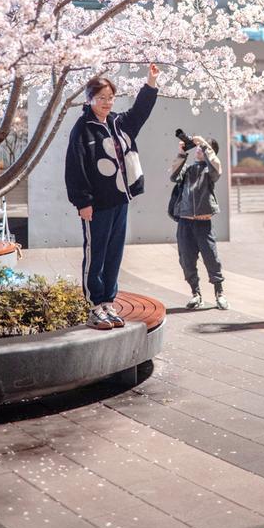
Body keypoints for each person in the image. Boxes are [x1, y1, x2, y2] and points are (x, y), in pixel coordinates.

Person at [65, 64, 159, 330]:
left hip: (120, 200)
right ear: (89, 99)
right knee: (96, 254)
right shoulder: (82, 128)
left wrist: (150, 83)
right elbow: (75, 166)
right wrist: (82, 202)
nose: (106, 103)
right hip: (96, 205)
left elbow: (141, 112)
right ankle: (94, 305)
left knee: (114, 253)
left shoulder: (119, 123)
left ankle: (108, 301)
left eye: (110, 98)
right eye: (101, 98)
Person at [170, 135, 229, 311]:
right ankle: (196, 294)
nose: (198, 149)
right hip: (184, 222)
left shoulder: (210, 171)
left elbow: (217, 167)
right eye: (196, 147)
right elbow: (173, 175)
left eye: (202, 148)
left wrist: (204, 144)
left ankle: (219, 293)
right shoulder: (188, 169)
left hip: (203, 222)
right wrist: (181, 153)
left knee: (211, 258)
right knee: (186, 260)